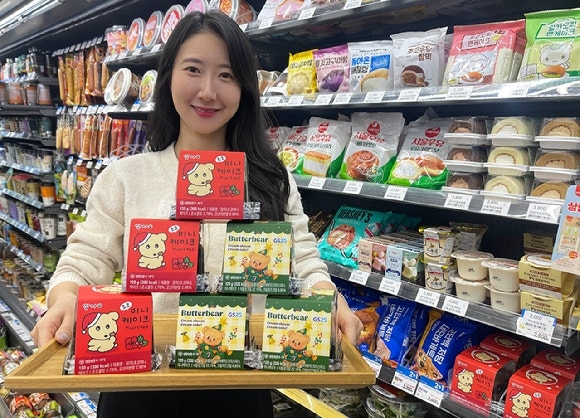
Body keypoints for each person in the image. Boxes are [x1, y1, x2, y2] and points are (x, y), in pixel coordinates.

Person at [31, 10, 363, 417]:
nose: (208, 91)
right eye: (193, 69)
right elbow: (85, 260)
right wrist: (65, 298)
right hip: (138, 383)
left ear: (244, 88)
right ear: (168, 76)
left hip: (240, 386)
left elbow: (303, 261)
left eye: (226, 75)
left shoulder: (270, 177)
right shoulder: (125, 176)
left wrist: (327, 298)